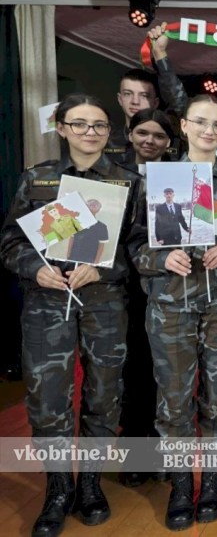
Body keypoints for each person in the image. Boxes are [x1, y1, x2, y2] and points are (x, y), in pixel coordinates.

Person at [0, 94, 140, 536]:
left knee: (105, 395)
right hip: (46, 303)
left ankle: (91, 484)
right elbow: (11, 243)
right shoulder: (38, 179)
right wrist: (35, 268)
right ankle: (58, 488)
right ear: (61, 128)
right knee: (47, 400)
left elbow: (139, 247)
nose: (89, 132)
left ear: (109, 132)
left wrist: (102, 267)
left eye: (98, 125)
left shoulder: (127, 181)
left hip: (105, 303)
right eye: (79, 124)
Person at [130, 95, 217, 531]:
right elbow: (131, 246)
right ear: (183, 126)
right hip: (170, 304)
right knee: (174, 399)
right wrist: (161, 258)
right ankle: (181, 484)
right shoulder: (155, 179)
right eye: (200, 122)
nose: (208, 131)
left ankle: (213, 481)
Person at [117, 109, 176, 489]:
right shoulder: (112, 175)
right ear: (130, 134)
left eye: (158, 135)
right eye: (143, 133)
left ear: (169, 141)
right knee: (131, 372)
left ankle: (163, 450)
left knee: (163, 374)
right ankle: (135, 455)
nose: (149, 141)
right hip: (119, 288)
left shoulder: (178, 178)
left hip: (164, 287)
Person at [67, 199, 109, 265]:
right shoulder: (76, 223)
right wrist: (68, 254)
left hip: (89, 259)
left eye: (94, 206)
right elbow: (72, 238)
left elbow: (101, 246)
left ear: (98, 210)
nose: (91, 207)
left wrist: (96, 261)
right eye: (89, 205)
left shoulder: (102, 227)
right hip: (74, 256)